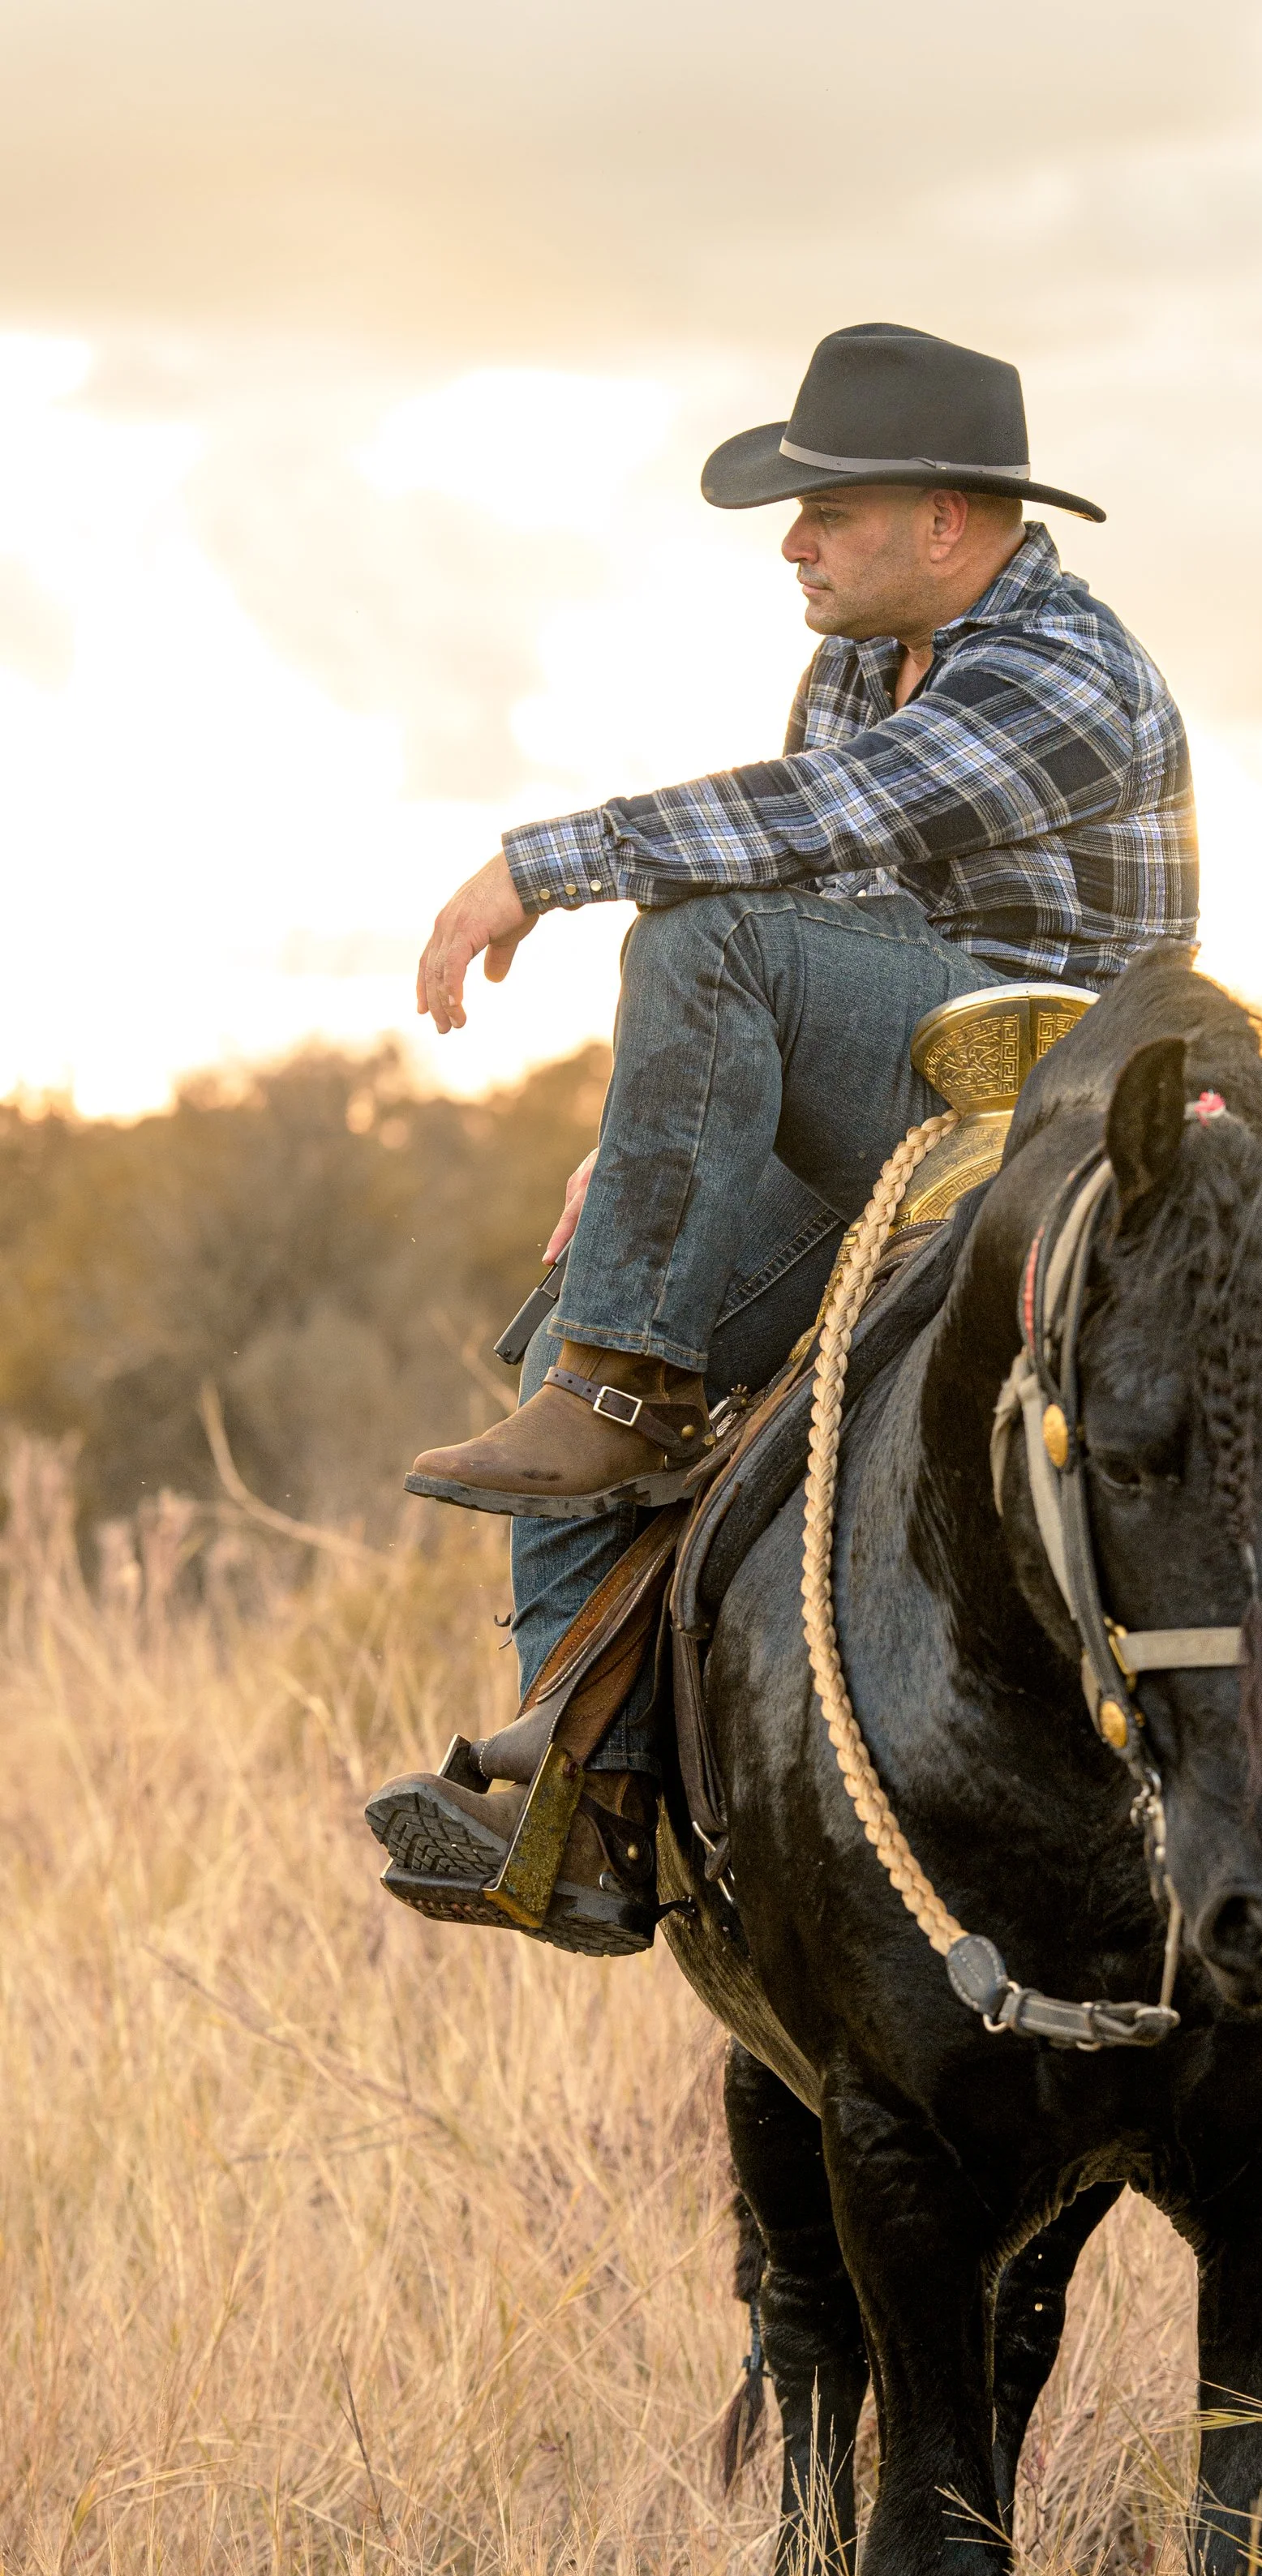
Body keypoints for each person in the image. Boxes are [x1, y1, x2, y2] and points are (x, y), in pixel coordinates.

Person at [366, 322, 1199, 1953]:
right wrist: (663, 1145)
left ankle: (630, 1388)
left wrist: (547, 863)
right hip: (905, 1093)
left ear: (945, 523)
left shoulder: (1062, 676)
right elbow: (824, 917)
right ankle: (585, 1793)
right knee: (570, 1336)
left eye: (826, 510)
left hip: (1050, 1110)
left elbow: (816, 833)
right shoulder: (851, 659)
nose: (792, 545)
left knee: (696, 933)